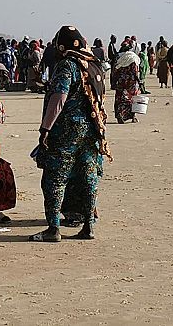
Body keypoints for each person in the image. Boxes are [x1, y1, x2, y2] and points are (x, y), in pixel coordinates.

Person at [31, 25, 109, 243]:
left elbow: (59, 98)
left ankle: (53, 228)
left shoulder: (67, 65)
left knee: (55, 178)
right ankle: (88, 225)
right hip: (93, 130)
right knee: (88, 177)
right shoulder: (93, 64)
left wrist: (45, 128)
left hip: (66, 132)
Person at [112, 42, 141, 123]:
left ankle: (120, 114)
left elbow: (115, 71)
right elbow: (135, 72)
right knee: (131, 99)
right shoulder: (133, 58)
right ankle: (132, 117)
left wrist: (114, 82)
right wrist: (139, 81)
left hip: (121, 81)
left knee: (120, 98)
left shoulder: (120, 58)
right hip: (131, 82)